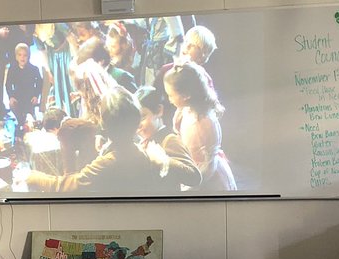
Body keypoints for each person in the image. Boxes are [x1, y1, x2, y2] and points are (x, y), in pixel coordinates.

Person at [24, 88, 202, 196]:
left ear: (104, 123)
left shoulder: (115, 158)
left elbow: (69, 185)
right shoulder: (132, 148)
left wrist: (32, 176)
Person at [164, 61, 236, 192]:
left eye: (171, 95)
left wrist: (192, 185)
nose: (169, 99)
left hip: (206, 177)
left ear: (186, 95)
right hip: (191, 166)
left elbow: (209, 164)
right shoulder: (184, 110)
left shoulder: (205, 123)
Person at [4, 42, 43, 130]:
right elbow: (8, 84)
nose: (22, 57)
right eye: (20, 55)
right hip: (18, 96)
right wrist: (11, 96)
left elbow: (39, 83)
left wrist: (36, 96)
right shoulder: (12, 69)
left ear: (28, 56)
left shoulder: (34, 69)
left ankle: (29, 117)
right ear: (16, 57)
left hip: (30, 96)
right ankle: (20, 120)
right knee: (12, 103)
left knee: (30, 117)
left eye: (25, 55)